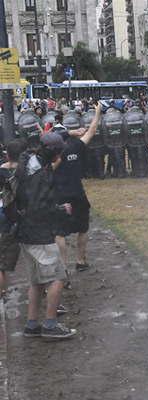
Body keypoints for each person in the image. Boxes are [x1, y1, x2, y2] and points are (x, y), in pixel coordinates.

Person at [15, 132, 77, 339]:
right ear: (54, 152)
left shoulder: (28, 161)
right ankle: (50, 325)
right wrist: (60, 209)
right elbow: (39, 206)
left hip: (23, 231)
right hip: (39, 233)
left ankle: (32, 325)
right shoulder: (39, 174)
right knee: (58, 277)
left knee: (37, 281)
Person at [54, 103, 102, 272]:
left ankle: (63, 267)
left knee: (59, 232)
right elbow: (93, 129)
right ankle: (81, 261)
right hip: (77, 192)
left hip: (59, 195)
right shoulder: (77, 145)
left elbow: (43, 137)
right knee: (83, 228)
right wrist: (97, 112)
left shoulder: (53, 151)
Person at [0, 139, 27, 297]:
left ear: (8, 155)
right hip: (29, 215)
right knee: (35, 256)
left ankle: (2, 294)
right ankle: (42, 288)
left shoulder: (2, 171)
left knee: (2, 263)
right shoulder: (30, 172)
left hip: (6, 216)